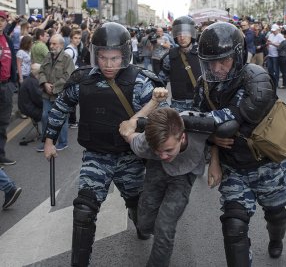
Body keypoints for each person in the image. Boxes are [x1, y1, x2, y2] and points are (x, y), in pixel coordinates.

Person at [42, 22, 166, 267]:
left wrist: (144, 118)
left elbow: (157, 117)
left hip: (129, 156)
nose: (109, 64)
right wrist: (49, 141)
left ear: (125, 55)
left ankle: (141, 223)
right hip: (96, 156)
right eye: (103, 58)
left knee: (139, 209)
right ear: (95, 55)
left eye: (115, 58)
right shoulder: (82, 81)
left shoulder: (140, 82)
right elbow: (60, 108)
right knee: (84, 210)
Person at [193, 22, 286, 266]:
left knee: (276, 214)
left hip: (266, 163)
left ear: (237, 56)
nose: (217, 68)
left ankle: (276, 238)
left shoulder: (256, 77)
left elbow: (229, 121)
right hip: (234, 167)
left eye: (223, 61)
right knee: (233, 225)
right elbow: (202, 124)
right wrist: (213, 151)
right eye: (211, 62)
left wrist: (190, 123)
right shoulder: (204, 84)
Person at [120, 107, 221, 267]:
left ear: (182, 137)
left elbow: (219, 137)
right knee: (145, 224)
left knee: (165, 225)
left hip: (186, 173)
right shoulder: (145, 144)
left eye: (168, 150)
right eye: (159, 151)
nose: (164, 155)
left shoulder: (200, 126)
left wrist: (215, 161)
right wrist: (127, 125)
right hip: (157, 170)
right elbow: (127, 132)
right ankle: (138, 216)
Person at [37, 34, 75, 152]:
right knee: (45, 117)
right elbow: (41, 71)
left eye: (54, 44)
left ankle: (63, 142)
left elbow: (68, 77)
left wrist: (53, 88)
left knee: (61, 118)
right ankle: (46, 142)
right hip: (46, 93)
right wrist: (44, 84)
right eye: (50, 43)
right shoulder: (48, 56)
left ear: (61, 45)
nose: (51, 46)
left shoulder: (67, 58)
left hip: (60, 94)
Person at [158, 16, 201, 112]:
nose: (182, 37)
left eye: (186, 33)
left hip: (200, 105)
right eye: (179, 34)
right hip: (177, 105)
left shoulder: (202, 54)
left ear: (192, 34)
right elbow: (160, 82)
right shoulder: (170, 56)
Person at [0, 10, 17, 166]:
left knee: (4, 123)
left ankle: (1, 155)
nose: (0, 22)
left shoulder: (8, 40)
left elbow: (12, 63)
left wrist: (13, 83)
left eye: (2, 20)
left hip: (6, 86)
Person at [266, 24, 285, 88]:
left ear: (277, 30)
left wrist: (272, 44)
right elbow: (268, 42)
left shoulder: (280, 36)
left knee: (276, 70)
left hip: (276, 55)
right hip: (270, 54)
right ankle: (271, 82)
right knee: (269, 69)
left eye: (274, 30)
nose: (273, 31)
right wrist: (268, 45)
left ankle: (276, 83)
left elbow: (281, 45)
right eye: (272, 30)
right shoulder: (271, 35)